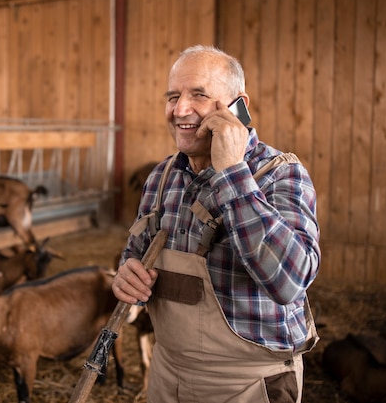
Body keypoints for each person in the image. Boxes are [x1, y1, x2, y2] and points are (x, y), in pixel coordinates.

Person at [112, 45, 321, 403]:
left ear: (238, 106)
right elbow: (134, 254)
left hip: (248, 385)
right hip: (166, 375)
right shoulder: (161, 178)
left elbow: (289, 283)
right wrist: (126, 273)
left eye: (199, 95)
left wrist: (233, 173)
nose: (180, 110)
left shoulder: (281, 175)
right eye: (173, 96)